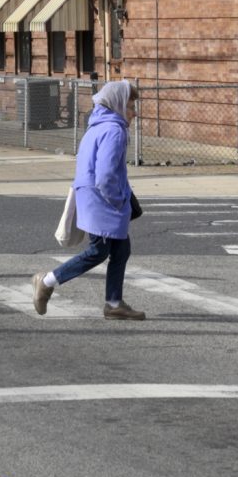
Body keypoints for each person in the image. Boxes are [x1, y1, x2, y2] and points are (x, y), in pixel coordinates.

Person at [33, 81, 144, 320]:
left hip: (91, 195)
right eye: (131, 105)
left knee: (121, 249)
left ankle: (114, 303)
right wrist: (117, 201)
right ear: (118, 105)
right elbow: (105, 174)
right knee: (98, 251)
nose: (135, 112)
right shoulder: (115, 130)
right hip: (103, 200)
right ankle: (47, 281)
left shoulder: (97, 125)